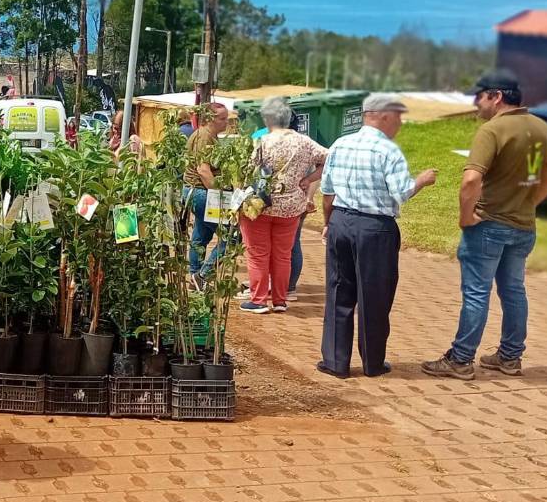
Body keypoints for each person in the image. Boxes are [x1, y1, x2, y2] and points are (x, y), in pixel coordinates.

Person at [423, 70, 547, 380]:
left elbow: (471, 179)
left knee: (477, 293)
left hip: (489, 224)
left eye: (480, 96)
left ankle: (460, 359)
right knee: (514, 291)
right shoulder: (540, 127)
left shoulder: (492, 130)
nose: (476, 103)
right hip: (524, 225)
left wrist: (465, 216)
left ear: (496, 96)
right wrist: (535, 198)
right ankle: (510, 357)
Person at [317, 94, 437, 379]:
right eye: (398, 116)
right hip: (375, 227)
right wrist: (421, 180)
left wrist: (328, 223)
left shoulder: (340, 143)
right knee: (375, 295)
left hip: (341, 221)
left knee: (338, 290)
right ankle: (372, 362)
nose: (400, 123)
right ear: (383, 115)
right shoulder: (388, 151)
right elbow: (401, 192)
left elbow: (327, 191)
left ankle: (336, 361)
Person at [239, 97, 326, 315]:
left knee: (258, 252)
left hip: (261, 205)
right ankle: (280, 300)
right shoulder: (305, 142)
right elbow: (329, 158)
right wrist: (309, 178)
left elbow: (248, 170)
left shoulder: (263, 141)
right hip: (291, 206)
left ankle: (258, 299)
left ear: (269, 118)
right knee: (282, 254)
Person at [184, 103, 232, 287]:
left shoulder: (209, 136)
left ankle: (195, 278)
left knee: (201, 235)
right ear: (210, 119)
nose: (226, 122)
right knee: (232, 236)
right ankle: (203, 275)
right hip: (201, 193)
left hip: (198, 192)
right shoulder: (204, 136)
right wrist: (219, 197)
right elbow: (203, 170)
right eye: (222, 118)